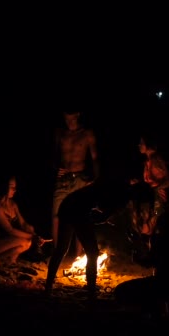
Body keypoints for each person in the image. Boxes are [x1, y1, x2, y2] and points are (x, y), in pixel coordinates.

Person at [115, 134, 169, 318]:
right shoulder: (149, 160)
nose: (138, 145)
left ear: (149, 143)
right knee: (156, 235)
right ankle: (164, 283)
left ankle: (165, 287)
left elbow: (167, 179)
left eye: (141, 142)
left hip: (164, 200)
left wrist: (160, 191)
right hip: (160, 199)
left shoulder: (157, 160)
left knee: (162, 236)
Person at [44, 177, 131, 295]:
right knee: (92, 252)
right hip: (76, 209)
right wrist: (106, 216)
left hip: (68, 205)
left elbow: (100, 211)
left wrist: (103, 217)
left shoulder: (108, 188)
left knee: (61, 249)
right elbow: (103, 210)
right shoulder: (114, 192)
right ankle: (91, 290)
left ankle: (48, 286)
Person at [51, 110, 100, 258]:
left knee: (80, 216)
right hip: (63, 179)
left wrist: (96, 180)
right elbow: (52, 155)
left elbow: (95, 157)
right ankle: (56, 252)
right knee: (56, 215)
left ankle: (78, 254)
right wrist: (55, 169)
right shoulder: (60, 133)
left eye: (71, 117)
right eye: (66, 118)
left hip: (80, 178)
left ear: (78, 114)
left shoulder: (86, 134)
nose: (69, 121)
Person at [0, 175, 46, 267]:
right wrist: (31, 236)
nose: (15, 190)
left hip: (7, 240)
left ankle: (10, 260)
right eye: (11, 187)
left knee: (29, 230)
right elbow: (10, 230)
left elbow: (22, 223)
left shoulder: (13, 204)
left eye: (15, 187)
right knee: (25, 242)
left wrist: (35, 234)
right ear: (3, 187)